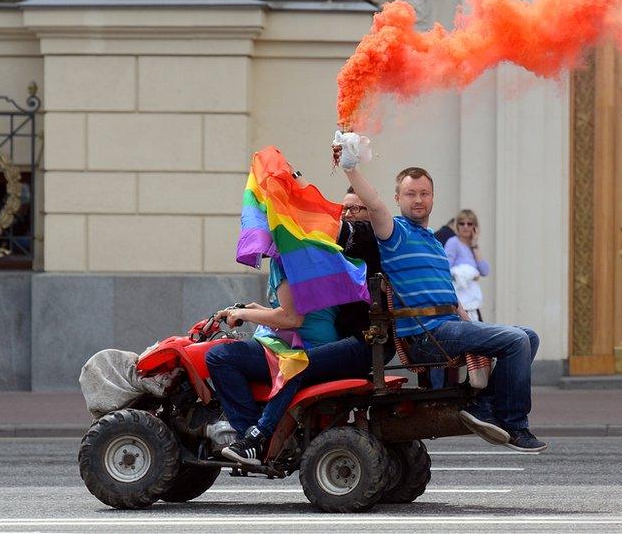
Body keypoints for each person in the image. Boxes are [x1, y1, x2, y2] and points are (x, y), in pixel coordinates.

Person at [335, 132, 546, 452]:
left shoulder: (434, 241)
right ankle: (515, 424)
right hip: (425, 336)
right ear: (399, 199)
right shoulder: (393, 231)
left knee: (528, 335)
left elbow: (451, 298)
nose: (418, 199)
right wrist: (350, 167)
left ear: (433, 197)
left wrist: (470, 322)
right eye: (410, 194)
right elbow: (374, 203)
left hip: (449, 327)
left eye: (424, 193)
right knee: (515, 340)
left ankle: (485, 406)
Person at [206, 260, 372, 466]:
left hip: (299, 346)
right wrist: (252, 309)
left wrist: (243, 314)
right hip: (323, 342)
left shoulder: (285, 261)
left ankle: (250, 437)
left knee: (219, 356)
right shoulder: (317, 256)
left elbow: (292, 318)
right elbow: (301, 309)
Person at [426, 209, 491, 389]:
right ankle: (439, 388)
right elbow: (445, 267)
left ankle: (473, 386)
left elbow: (485, 270)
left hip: (472, 303)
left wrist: (476, 244)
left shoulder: (471, 246)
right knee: (448, 348)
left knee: (474, 347)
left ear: (474, 227)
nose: (465, 227)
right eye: (461, 223)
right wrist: (465, 274)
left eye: (469, 224)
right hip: (457, 302)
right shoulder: (453, 242)